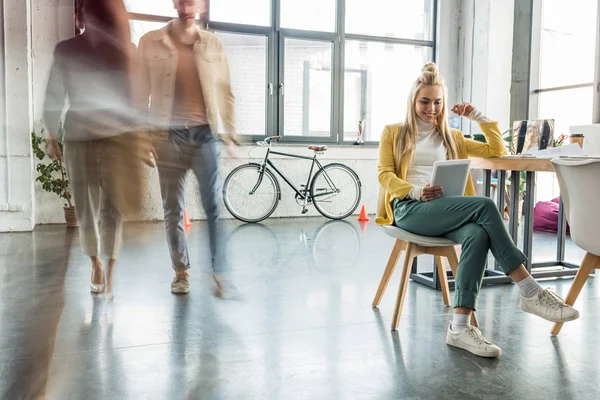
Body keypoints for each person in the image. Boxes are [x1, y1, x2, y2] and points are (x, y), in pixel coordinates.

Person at [376, 63, 579, 358]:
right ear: (413, 100)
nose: (431, 108)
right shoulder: (394, 133)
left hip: (443, 209)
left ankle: (459, 326)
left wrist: (478, 116)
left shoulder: (451, 137)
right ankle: (529, 289)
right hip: (410, 208)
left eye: (437, 102)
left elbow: (497, 150)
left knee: (476, 234)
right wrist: (416, 191)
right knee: (484, 205)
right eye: (424, 101)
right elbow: (384, 174)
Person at [43, 0, 146, 296]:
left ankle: (111, 266)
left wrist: (140, 139)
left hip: (118, 139)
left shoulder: (127, 51)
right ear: (80, 15)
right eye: (85, 12)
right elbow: (54, 91)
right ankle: (95, 263)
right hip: (78, 137)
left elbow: (137, 100)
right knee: (85, 208)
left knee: (112, 207)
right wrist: (51, 134)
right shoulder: (67, 49)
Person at [136, 0, 236, 296]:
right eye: (182, 0)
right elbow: (140, 95)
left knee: (213, 206)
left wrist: (229, 134)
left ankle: (219, 270)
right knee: (173, 209)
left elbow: (226, 92)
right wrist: (142, 139)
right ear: (175, 3)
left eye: (193, 1)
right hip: (168, 136)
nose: (187, 5)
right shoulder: (150, 42)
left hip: (205, 135)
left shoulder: (213, 44)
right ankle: (181, 272)